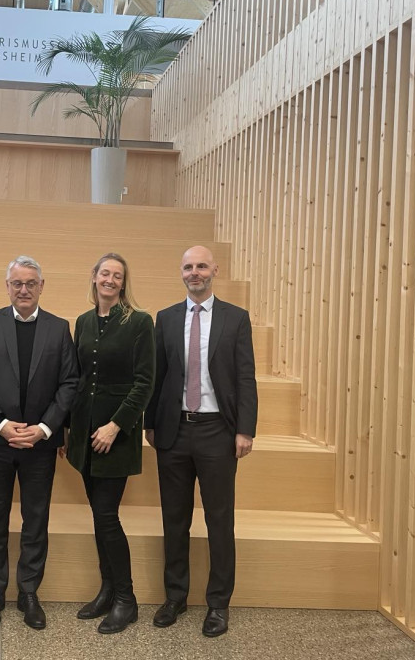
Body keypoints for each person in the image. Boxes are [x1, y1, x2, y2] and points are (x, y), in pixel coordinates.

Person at [144, 245, 257, 638]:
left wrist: (246, 429)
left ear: (215, 271)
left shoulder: (236, 318)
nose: (195, 272)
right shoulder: (166, 318)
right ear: (181, 272)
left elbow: (246, 377)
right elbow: (156, 376)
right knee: (174, 520)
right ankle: (175, 596)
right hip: (173, 431)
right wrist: (150, 423)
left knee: (218, 520)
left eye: (202, 266)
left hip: (218, 433)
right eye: (189, 267)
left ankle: (218, 604)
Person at [0, 255, 78, 630]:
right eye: (17, 283)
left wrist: (46, 428)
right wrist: (1, 424)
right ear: (8, 286)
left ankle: (28, 592)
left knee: (36, 520)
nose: (24, 289)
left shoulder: (60, 328)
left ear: (42, 286)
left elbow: (69, 383)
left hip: (40, 444)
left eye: (31, 283)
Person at [66, 253, 154, 634]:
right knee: (98, 516)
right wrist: (69, 429)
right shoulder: (83, 321)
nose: (110, 280)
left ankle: (126, 599)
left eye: (117, 276)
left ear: (123, 282)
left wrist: (116, 425)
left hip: (116, 437)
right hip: (85, 433)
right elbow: (79, 378)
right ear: (94, 276)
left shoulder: (139, 321)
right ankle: (106, 590)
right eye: (105, 273)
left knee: (106, 515)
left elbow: (144, 382)